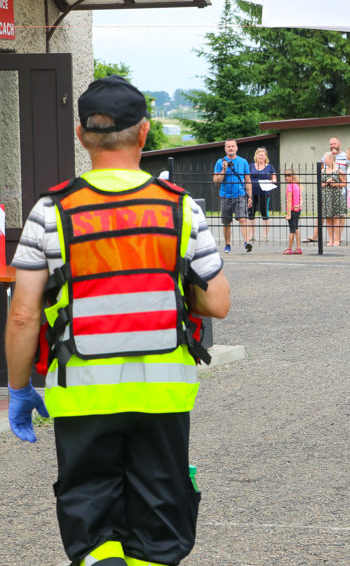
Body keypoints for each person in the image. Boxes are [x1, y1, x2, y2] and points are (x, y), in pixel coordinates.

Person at [5, 74, 231, 566]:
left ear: (82, 136)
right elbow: (216, 303)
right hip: (162, 392)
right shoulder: (181, 209)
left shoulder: (51, 210)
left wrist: (20, 389)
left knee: (93, 528)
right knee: (159, 532)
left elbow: (23, 314)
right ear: (144, 133)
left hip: (82, 392)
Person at [305, 137, 349, 244]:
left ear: (339, 144)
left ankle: (338, 237)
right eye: (331, 144)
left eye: (334, 143)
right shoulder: (325, 156)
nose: (332, 146)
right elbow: (320, 170)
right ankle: (317, 235)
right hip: (326, 192)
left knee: (339, 215)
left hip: (340, 190)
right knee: (324, 214)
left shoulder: (345, 157)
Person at [213, 139, 253, 253]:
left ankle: (247, 242)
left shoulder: (243, 161)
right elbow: (216, 181)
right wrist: (223, 170)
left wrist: (250, 196)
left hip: (240, 194)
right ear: (225, 149)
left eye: (232, 146)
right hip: (225, 195)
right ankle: (227, 245)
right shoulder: (220, 162)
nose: (231, 148)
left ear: (236, 148)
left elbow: (248, 180)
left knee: (243, 219)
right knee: (226, 222)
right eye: (228, 146)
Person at [249, 147, 277, 242]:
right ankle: (251, 235)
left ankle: (265, 236)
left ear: (265, 156)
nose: (261, 156)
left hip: (264, 193)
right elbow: (247, 178)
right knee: (251, 214)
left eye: (263, 154)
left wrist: (269, 181)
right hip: (252, 193)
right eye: (259, 154)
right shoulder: (251, 166)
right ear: (256, 156)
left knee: (265, 214)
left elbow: (274, 179)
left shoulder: (270, 167)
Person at [321, 153, 347, 246]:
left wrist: (335, 184)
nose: (325, 161)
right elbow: (318, 184)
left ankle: (337, 239)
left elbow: (345, 183)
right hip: (326, 197)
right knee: (328, 219)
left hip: (336, 197)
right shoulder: (322, 171)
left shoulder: (338, 171)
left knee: (336, 218)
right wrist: (326, 183)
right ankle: (330, 240)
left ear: (331, 159)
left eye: (326, 159)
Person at [282, 168, 303, 255]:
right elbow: (300, 199)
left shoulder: (289, 186)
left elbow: (289, 201)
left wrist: (288, 214)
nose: (287, 178)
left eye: (289, 176)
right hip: (297, 209)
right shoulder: (297, 185)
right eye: (286, 176)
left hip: (292, 210)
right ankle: (298, 248)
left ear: (293, 176)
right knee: (296, 229)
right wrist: (299, 205)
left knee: (291, 230)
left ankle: (289, 248)